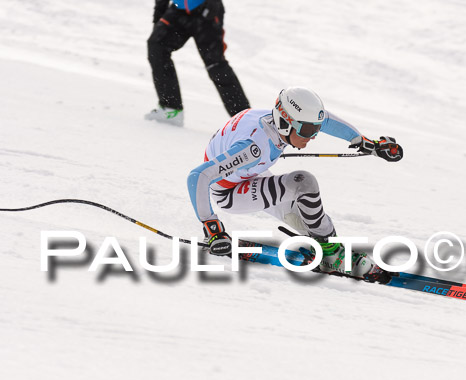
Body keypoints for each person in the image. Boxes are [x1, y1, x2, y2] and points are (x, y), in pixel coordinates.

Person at [186, 87, 403, 281]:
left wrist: (366, 143)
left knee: (311, 219)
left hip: (248, 174)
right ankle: (333, 255)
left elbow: (326, 120)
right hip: (230, 191)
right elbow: (198, 176)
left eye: (315, 129)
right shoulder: (253, 147)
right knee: (303, 182)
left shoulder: (277, 121)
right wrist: (212, 228)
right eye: (308, 131)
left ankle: (330, 250)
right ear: (284, 122)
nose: (313, 136)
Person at [145, 0, 250, 126]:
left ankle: (245, 120)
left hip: (206, 9)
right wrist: (159, 16)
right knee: (157, 46)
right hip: (179, 9)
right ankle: (171, 109)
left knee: (215, 65)